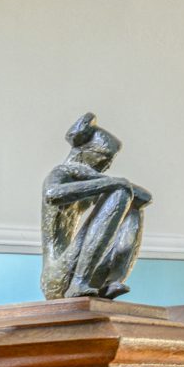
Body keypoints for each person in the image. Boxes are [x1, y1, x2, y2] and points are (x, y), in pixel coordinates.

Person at [40, 113, 150, 299]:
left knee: (133, 203)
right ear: (83, 153)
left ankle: (113, 279)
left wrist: (112, 182)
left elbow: (145, 197)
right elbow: (52, 195)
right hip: (56, 276)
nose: (106, 165)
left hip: (77, 266)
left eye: (110, 161)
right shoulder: (61, 172)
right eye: (103, 158)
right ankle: (79, 282)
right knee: (121, 192)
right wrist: (112, 183)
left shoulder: (92, 180)